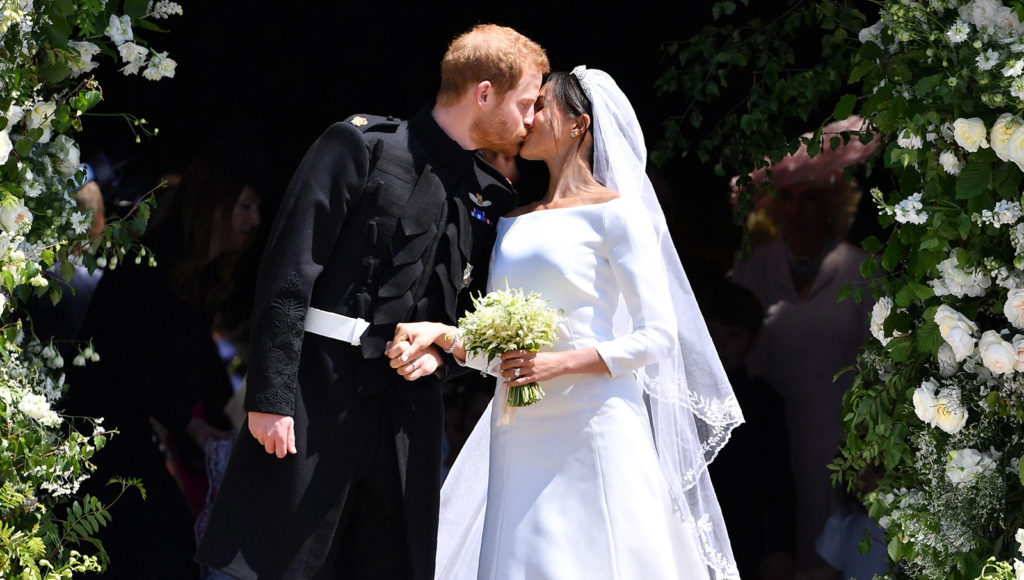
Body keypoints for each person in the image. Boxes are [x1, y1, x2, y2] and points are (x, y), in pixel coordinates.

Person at [195, 25, 548, 580]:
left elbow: (470, 318)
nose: (531, 121)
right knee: (268, 564)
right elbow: (289, 273)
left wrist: (442, 355)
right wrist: (270, 397)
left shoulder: (491, 197)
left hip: (408, 424)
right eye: (526, 104)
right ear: (484, 93)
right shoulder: (360, 145)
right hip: (316, 396)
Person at [387, 67, 743, 579]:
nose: (527, 119)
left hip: (593, 424)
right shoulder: (512, 219)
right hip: (520, 429)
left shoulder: (616, 215)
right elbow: (506, 351)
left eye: (541, 108)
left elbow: (657, 336)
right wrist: (444, 335)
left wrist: (558, 363)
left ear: (578, 125)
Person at [63, 147, 266, 579]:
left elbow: (200, 370)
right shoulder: (156, 264)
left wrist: (225, 432)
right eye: (246, 206)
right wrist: (192, 425)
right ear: (216, 203)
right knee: (160, 546)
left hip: (126, 422)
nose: (255, 221)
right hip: (98, 422)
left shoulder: (196, 277)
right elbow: (130, 361)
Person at [730, 118, 878, 572]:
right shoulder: (753, 266)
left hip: (839, 435)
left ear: (832, 203)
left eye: (809, 196)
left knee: (830, 551)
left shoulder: (862, 269)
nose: (797, 209)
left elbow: (882, 363)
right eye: (787, 196)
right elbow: (729, 342)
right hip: (769, 430)